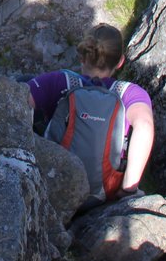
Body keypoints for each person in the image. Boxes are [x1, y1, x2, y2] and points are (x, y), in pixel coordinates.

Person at [26, 23, 155, 196]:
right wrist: (128, 188)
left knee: (25, 80)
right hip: (105, 190)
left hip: (54, 182)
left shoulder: (58, 81)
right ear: (120, 62)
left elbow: (20, 101)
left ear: (82, 57)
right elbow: (145, 126)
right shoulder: (130, 93)